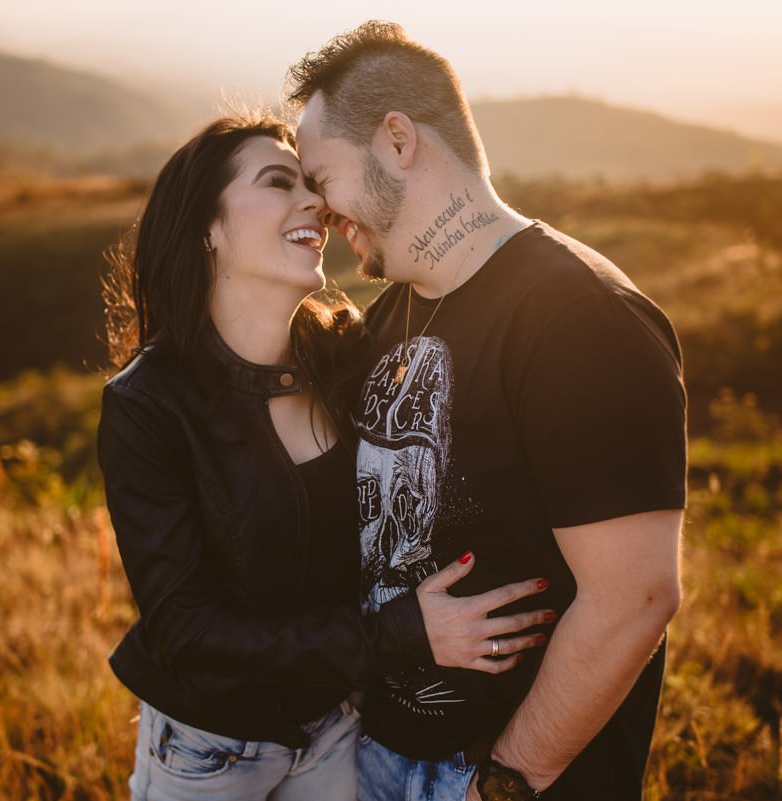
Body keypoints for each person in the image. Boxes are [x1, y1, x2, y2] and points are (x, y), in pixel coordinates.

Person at [97, 114, 554, 801]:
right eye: (278, 183)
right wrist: (398, 636)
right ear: (207, 228)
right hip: (210, 745)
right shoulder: (147, 404)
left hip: (338, 727)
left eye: (312, 184)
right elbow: (186, 629)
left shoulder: (343, 356)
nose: (313, 200)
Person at [287, 21, 687, 801]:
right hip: (373, 758)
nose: (319, 207)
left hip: (502, 773)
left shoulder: (582, 318)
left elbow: (636, 598)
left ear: (397, 140)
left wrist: (500, 783)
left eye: (321, 176)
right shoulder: (392, 314)